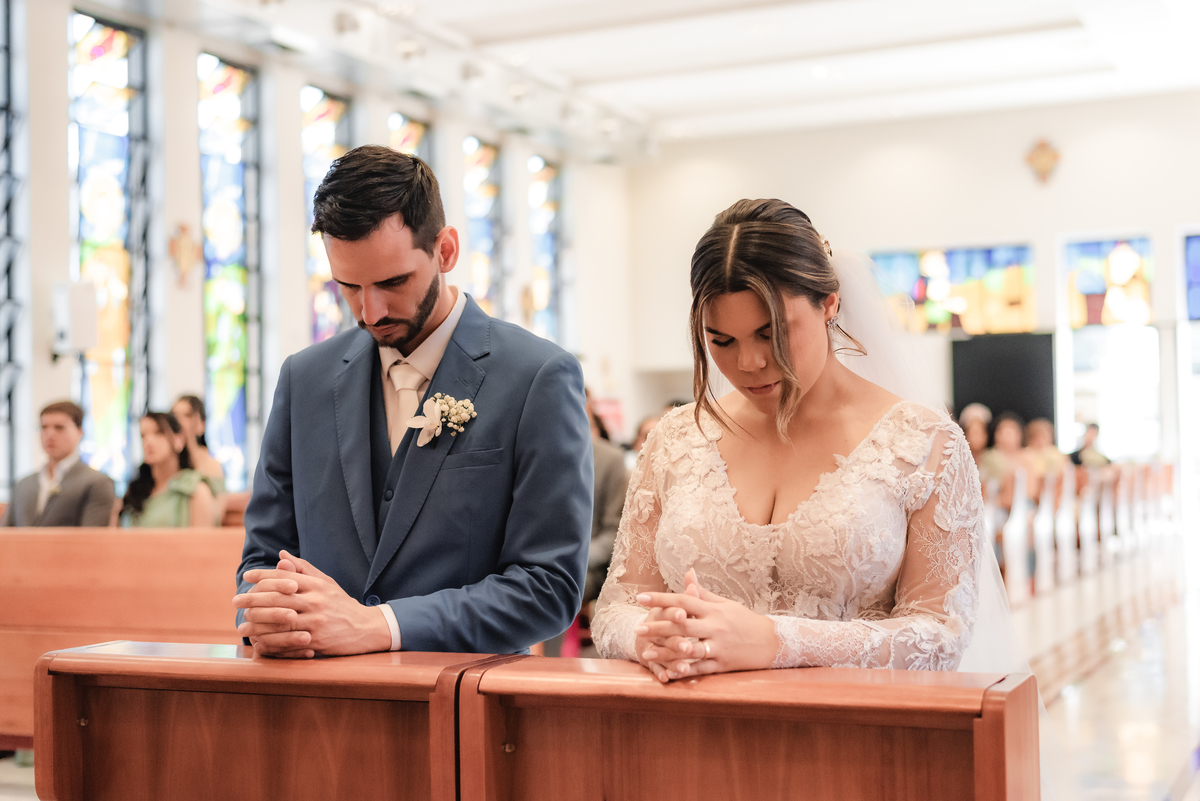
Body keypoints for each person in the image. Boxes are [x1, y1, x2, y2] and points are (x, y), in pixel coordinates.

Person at [591, 199, 986, 682]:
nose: (750, 363)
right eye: (722, 341)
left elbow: (941, 635)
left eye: (771, 333)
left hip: (856, 733)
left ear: (830, 304)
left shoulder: (925, 442)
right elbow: (615, 610)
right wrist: (650, 635)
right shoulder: (676, 437)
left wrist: (776, 641)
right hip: (693, 729)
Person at [233, 145, 592, 658]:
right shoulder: (304, 380)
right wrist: (264, 613)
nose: (370, 311)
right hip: (316, 706)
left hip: (460, 706)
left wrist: (378, 626)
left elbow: (548, 588)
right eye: (348, 287)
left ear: (445, 251)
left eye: (392, 282)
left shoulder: (537, 377)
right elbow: (263, 559)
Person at [2, 400, 114, 527]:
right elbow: (5, 534)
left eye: (59, 427)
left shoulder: (97, 482)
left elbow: (91, 538)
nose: (49, 434)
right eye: (44, 427)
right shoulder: (23, 484)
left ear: (79, 432)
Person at [120, 411, 216, 528]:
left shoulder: (195, 489)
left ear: (179, 440)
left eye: (158, 433)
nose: (148, 441)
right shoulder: (135, 490)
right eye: (143, 436)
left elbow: (202, 542)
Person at [586, 413, 630, 606]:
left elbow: (614, 532)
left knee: (548, 591)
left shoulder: (609, 458)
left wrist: (569, 560)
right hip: (532, 562)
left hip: (589, 566)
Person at [172, 395, 227, 495]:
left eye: (187, 415)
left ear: (201, 425)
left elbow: (218, 507)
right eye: (175, 415)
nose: (179, 421)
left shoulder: (211, 465)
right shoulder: (166, 462)